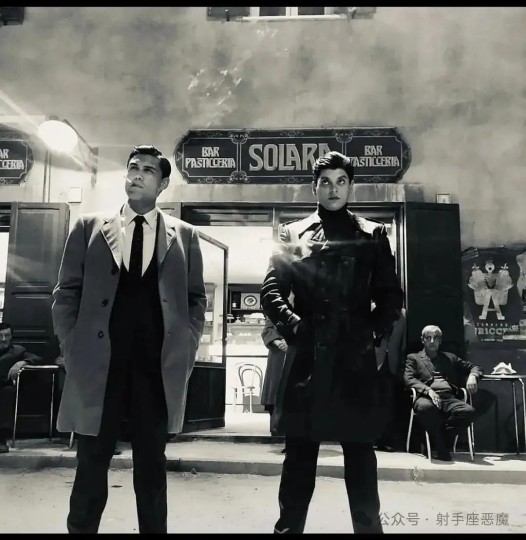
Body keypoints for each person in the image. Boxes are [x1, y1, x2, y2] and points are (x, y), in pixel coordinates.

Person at [52, 144, 207, 534]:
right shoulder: (88, 227)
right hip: (99, 367)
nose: (137, 174)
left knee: (152, 466)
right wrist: (71, 346)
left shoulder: (184, 235)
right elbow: (66, 292)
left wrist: (186, 347)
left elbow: (195, 300)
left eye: (148, 170)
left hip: (155, 370)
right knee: (91, 462)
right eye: (133, 167)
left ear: (163, 183)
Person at [260, 151, 403, 534]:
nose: (333, 188)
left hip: (354, 362)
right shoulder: (292, 233)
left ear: (351, 186)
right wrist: (296, 328)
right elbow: (271, 291)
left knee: (360, 460)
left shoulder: (373, 234)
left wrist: (370, 333)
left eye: (341, 181)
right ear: (314, 187)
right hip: (307, 360)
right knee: (298, 462)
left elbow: (391, 296)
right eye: (326, 181)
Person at [403, 324, 483, 462]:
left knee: (468, 411)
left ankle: (436, 441)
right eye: (428, 337)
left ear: (440, 340)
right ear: (423, 340)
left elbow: (475, 367)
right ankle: (441, 448)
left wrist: (473, 376)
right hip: (425, 397)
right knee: (425, 408)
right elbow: (408, 378)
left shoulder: (449, 357)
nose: (432, 341)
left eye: (436, 338)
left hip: (448, 398)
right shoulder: (414, 358)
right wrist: (428, 390)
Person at [0, 322, 47, 453]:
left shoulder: (17, 351)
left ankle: (1, 439)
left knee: (7, 393)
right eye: (0, 336)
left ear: (11, 337)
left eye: (7, 336)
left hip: (5, 387)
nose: (3, 339)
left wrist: (22, 362)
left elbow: (38, 359)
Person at [374, 307, 407, 452]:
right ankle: (370, 438)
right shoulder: (372, 309)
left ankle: (385, 439)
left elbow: (403, 341)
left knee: (387, 402)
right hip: (374, 361)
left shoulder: (403, 314)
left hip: (392, 363)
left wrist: (402, 365)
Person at [261, 317, 287, 435]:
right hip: (278, 354)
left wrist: (291, 342)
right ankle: (276, 430)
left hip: (298, 353)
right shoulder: (276, 311)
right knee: (275, 390)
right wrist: (278, 342)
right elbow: (267, 330)